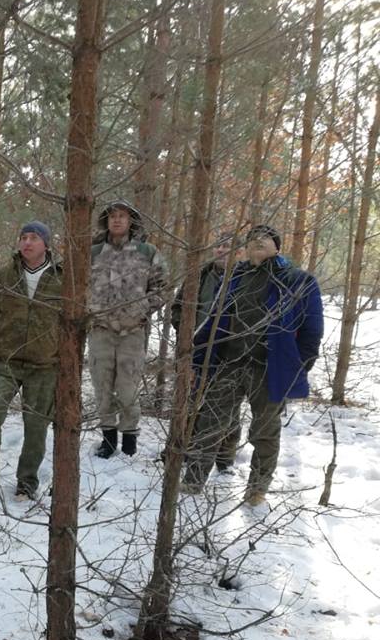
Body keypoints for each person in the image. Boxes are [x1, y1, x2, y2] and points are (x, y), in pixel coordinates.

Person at [181, 224, 323, 505]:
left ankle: (257, 490)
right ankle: (194, 480)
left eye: (265, 238)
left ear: (277, 246)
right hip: (230, 364)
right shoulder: (235, 277)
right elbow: (214, 322)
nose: (257, 241)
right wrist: (200, 359)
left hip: (269, 370)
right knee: (210, 422)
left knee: (265, 432)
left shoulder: (297, 280)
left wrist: (299, 365)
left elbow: (312, 330)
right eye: (251, 239)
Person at [0, 221, 63, 506]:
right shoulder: (4, 275)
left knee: (36, 427)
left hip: (44, 365)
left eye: (34, 237)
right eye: (23, 237)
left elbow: (76, 324)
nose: (27, 242)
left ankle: (27, 483)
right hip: (4, 361)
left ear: (46, 244)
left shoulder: (63, 278)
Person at [87, 199, 166, 458]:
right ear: (106, 222)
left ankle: (129, 439)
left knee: (128, 388)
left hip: (132, 332)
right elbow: (77, 286)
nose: (117, 220)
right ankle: (108, 439)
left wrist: (142, 309)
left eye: (122, 216)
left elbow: (163, 287)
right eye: (112, 216)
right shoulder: (94, 251)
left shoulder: (146, 251)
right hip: (100, 330)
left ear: (131, 221)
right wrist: (90, 309)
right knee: (101, 386)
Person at [170, 232, 244, 474]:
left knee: (228, 411)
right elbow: (178, 308)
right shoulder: (199, 276)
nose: (222, 251)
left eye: (228, 247)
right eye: (219, 247)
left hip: (230, 356)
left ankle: (225, 459)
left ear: (239, 253)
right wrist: (185, 334)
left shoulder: (244, 279)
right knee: (191, 403)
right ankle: (184, 449)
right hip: (195, 351)